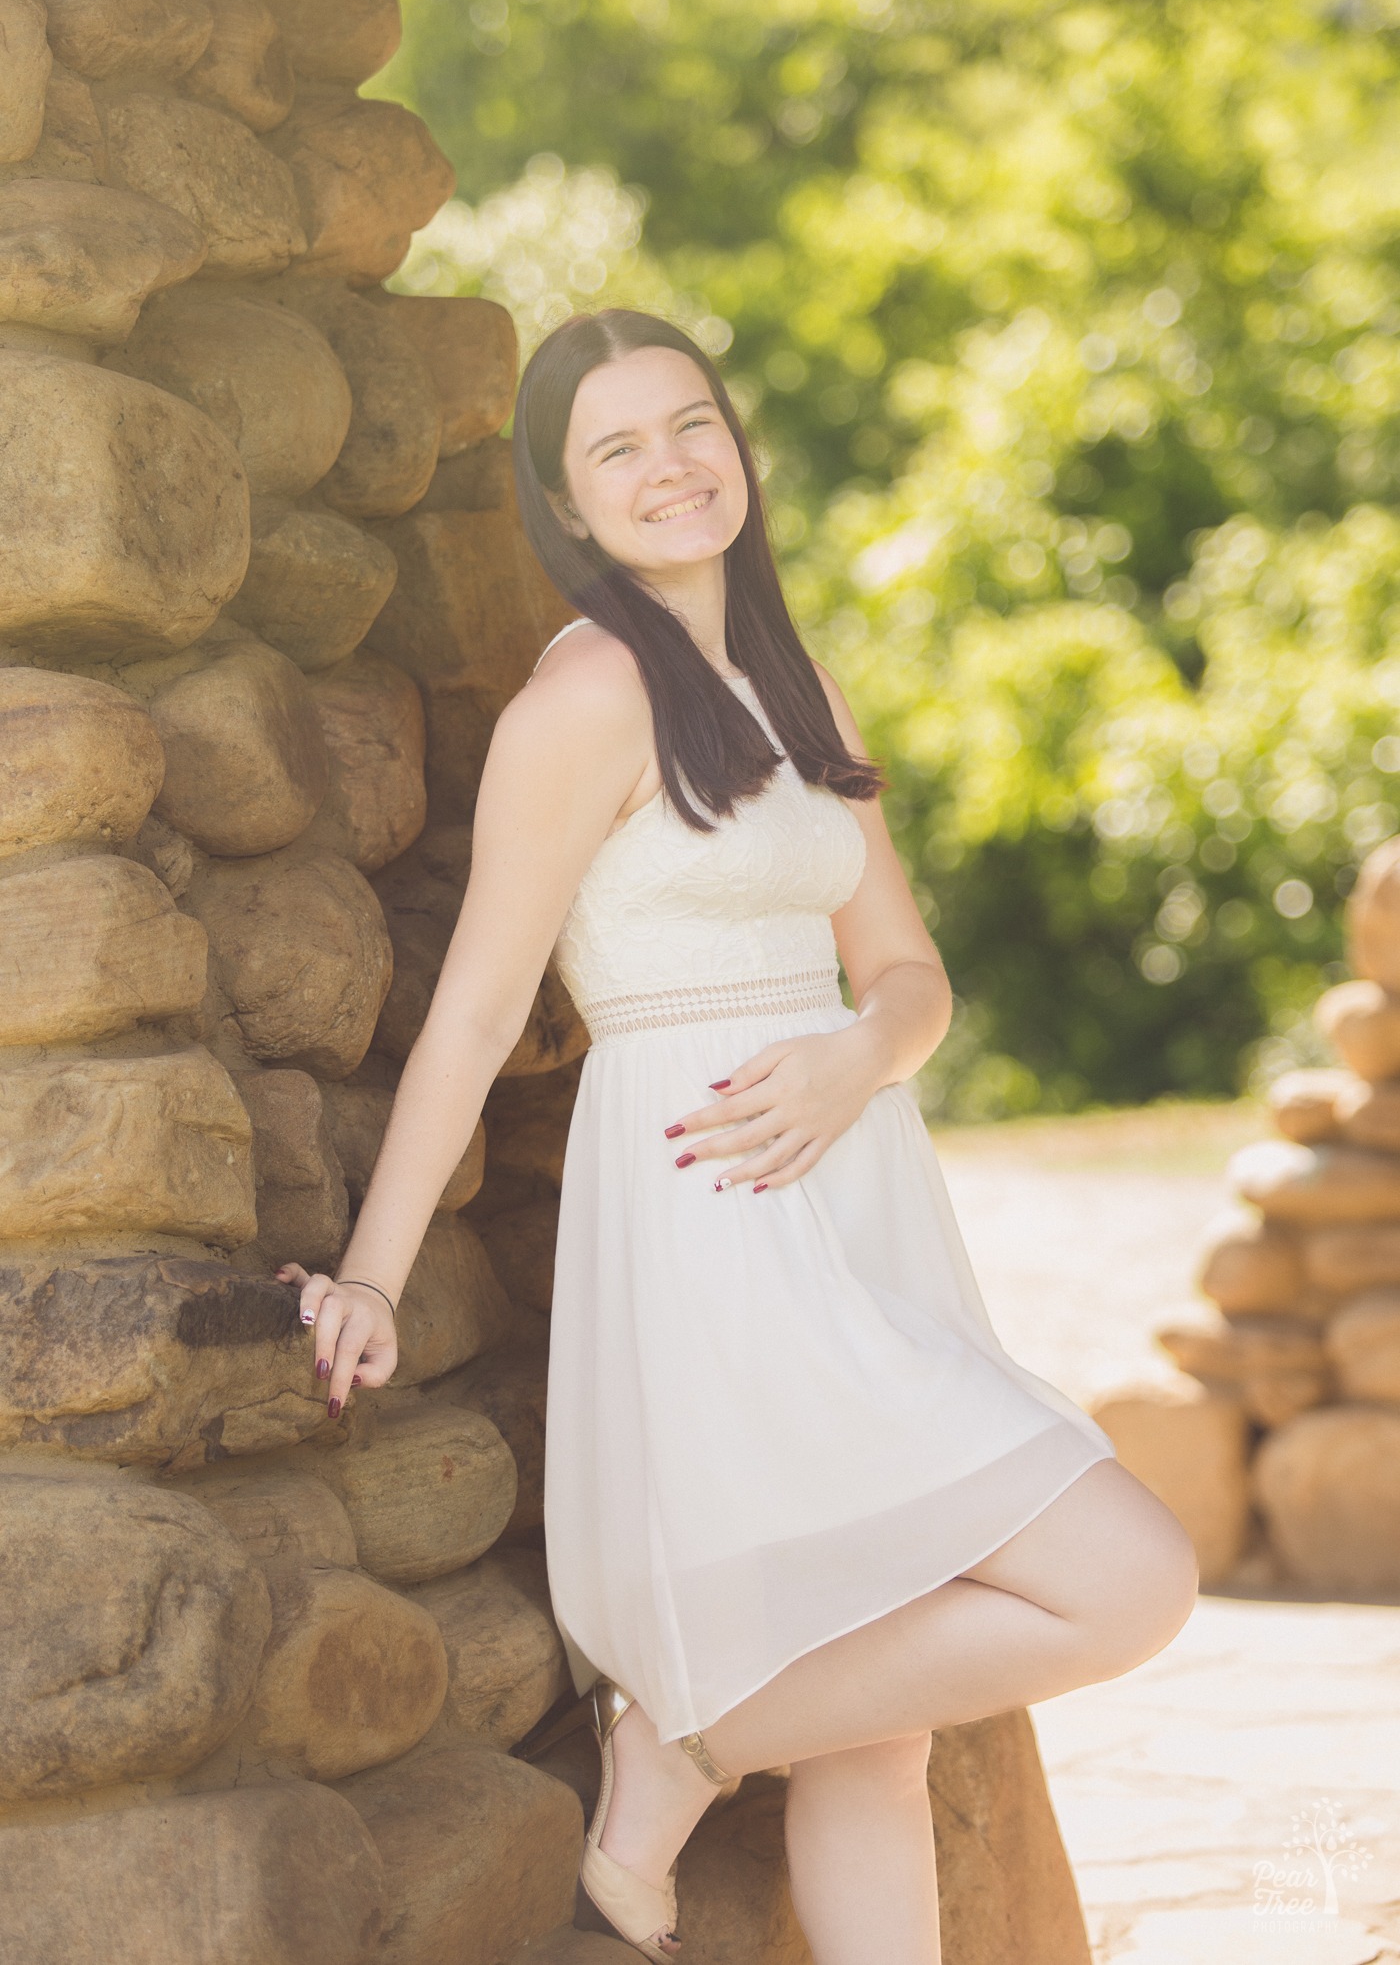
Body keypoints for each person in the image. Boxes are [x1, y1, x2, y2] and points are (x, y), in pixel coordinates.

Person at [280, 308, 1198, 1964]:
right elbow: (480, 1012)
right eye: (615, 449)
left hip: (860, 1204)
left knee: (884, 1744)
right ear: (567, 508)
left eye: (688, 424)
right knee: (1134, 1579)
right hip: (712, 1227)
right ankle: (692, 1738)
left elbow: (911, 978)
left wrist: (859, 1062)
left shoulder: (793, 676)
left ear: (737, 444)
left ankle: (701, 1740)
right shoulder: (585, 696)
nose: (670, 468)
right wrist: (372, 1274)